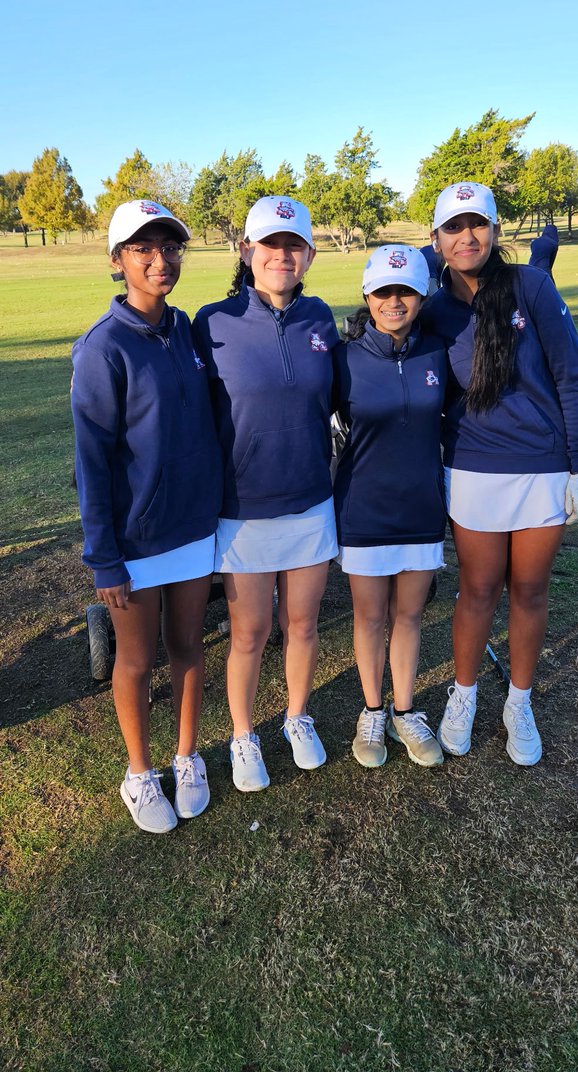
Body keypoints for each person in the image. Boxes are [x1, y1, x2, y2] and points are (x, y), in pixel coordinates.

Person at [420, 182, 578, 766]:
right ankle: (464, 695)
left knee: (529, 589)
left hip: (543, 467)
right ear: (437, 239)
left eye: (477, 224)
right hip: (473, 468)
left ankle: (519, 703)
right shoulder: (432, 309)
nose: (466, 236)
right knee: (477, 589)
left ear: (495, 230)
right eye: (453, 227)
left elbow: (571, 375)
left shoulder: (532, 286)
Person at [71, 200, 223, 833]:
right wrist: (103, 557)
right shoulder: (102, 348)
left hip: (193, 529)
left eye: (170, 247)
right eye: (143, 249)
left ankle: (187, 757)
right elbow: (91, 462)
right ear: (118, 261)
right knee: (135, 661)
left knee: (188, 646)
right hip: (135, 541)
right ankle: (139, 773)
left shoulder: (187, 330)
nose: (160, 260)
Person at [193, 197, 339, 792]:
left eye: (293, 245)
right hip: (244, 508)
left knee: (302, 624)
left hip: (310, 499)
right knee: (249, 633)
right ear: (246, 250)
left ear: (309, 255)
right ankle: (243, 735)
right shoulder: (212, 321)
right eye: (270, 244)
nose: (282, 255)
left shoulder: (322, 318)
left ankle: (297, 718)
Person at [333, 246, 448, 769]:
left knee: (409, 615)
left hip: (421, 507)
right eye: (383, 291)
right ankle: (373, 710)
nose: (393, 301)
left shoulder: (438, 353)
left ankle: (404, 710)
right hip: (364, 509)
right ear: (367, 295)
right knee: (370, 615)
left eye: (405, 291)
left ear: (422, 297)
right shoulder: (344, 358)